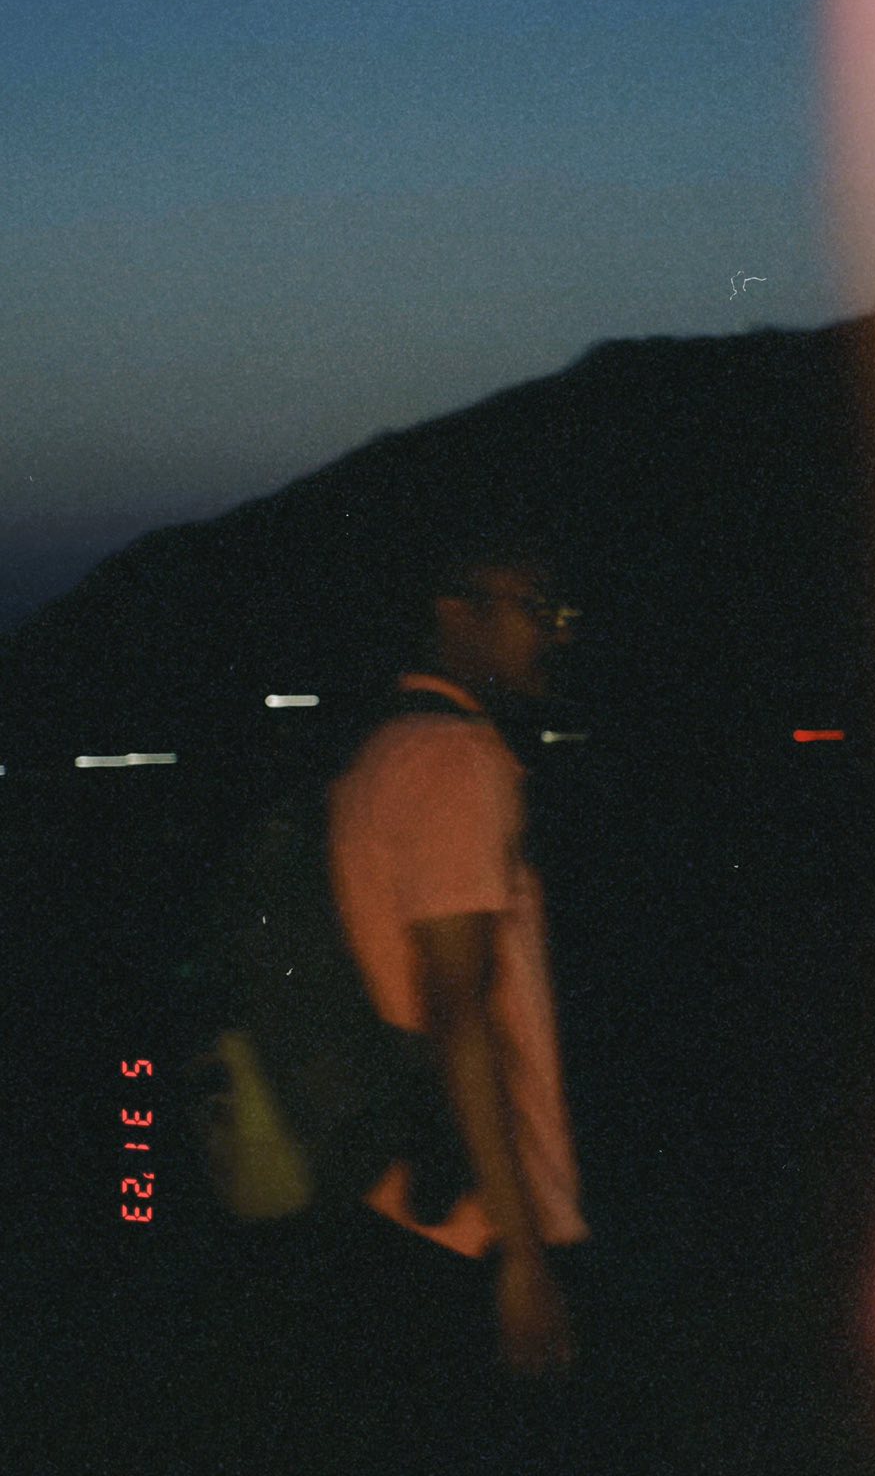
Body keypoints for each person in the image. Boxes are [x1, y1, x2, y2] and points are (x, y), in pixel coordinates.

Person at [320, 536, 598, 1472]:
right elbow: (459, 1010)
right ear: (454, 611)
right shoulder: (455, 762)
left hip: (399, 1185)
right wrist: (522, 1257)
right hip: (473, 1219)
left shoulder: (379, 750)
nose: (552, 633)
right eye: (532, 605)